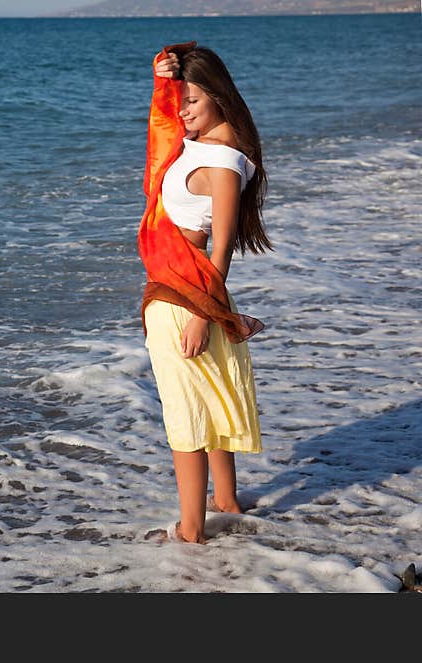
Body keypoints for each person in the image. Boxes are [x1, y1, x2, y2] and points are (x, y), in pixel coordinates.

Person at [138, 42, 272, 544]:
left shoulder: (224, 165)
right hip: (187, 293)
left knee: (186, 411)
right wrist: (164, 73)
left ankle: (191, 530)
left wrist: (200, 313)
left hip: (188, 297)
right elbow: (161, 134)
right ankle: (228, 500)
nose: (183, 110)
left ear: (218, 96)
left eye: (192, 100)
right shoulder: (199, 142)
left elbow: (223, 248)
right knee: (211, 396)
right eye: (182, 101)